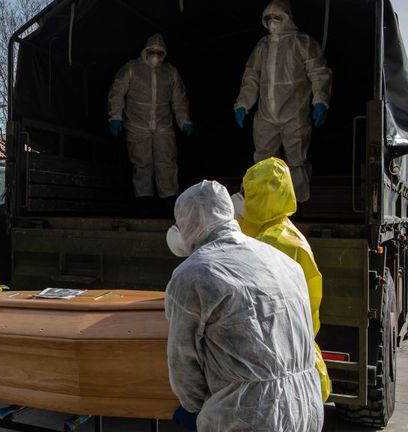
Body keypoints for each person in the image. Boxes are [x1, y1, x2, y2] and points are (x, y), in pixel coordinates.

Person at [164, 180, 323, 431]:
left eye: (181, 225)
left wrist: (200, 409)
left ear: (193, 223)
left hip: (249, 415)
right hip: (306, 406)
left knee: (183, 417)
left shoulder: (192, 275)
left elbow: (183, 363)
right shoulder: (282, 261)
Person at [234, 157, 331, 401]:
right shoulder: (277, 231)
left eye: (248, 193)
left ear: (262, 198)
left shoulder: (276, 242)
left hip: (279, 357)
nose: (242, 198)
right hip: (289, 353)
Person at [234, 0, 332, 203]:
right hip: (266, 115)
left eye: (277, 17)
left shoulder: (302, 42)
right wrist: (243, 104)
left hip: (294, 113)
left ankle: (297, 206)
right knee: (263, 161)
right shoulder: (263, 45)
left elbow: (319, 73)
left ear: (287, 17)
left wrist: (320, 101)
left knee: (296, 161)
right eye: (268, 18)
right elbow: (251, 77)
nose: (272, 22)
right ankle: (265, 204)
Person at [107, 33, 193, 215]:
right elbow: (117, 93)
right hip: (137, 125)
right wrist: (115, 117)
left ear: (164, 53)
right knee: (142, 163)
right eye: (152, 51)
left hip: (163, 126)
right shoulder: (131, 68)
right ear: (145, 50)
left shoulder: (170, 72)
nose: (155, 55)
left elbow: (179, 100)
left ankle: (169, 201)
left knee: (167, 162)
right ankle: (144, 202)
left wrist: (184, 120)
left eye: (159, 52)